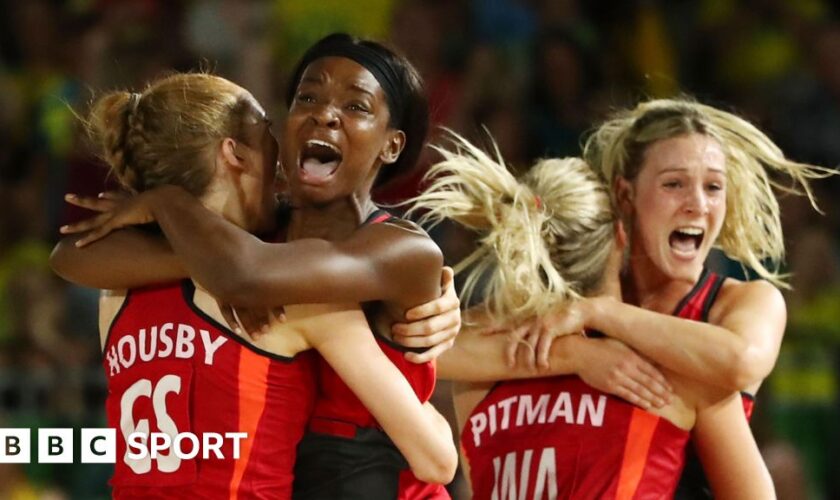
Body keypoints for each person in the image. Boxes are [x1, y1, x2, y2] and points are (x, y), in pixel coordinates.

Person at [52, 34, 460, 499]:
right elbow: (70, 255)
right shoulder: (262, 263)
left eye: (356, 106)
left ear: (392, 145)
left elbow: (245, 272)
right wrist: (206, 259)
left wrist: (167, 205)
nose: (325, 113)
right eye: (307, 97)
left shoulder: (395, 249)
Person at [408, 130, 776, 498]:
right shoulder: (677, 370)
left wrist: (577, 351)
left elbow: (411, 346)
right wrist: (582, 352)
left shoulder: (481, 373)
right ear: (621, 234)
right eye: (674, 183)